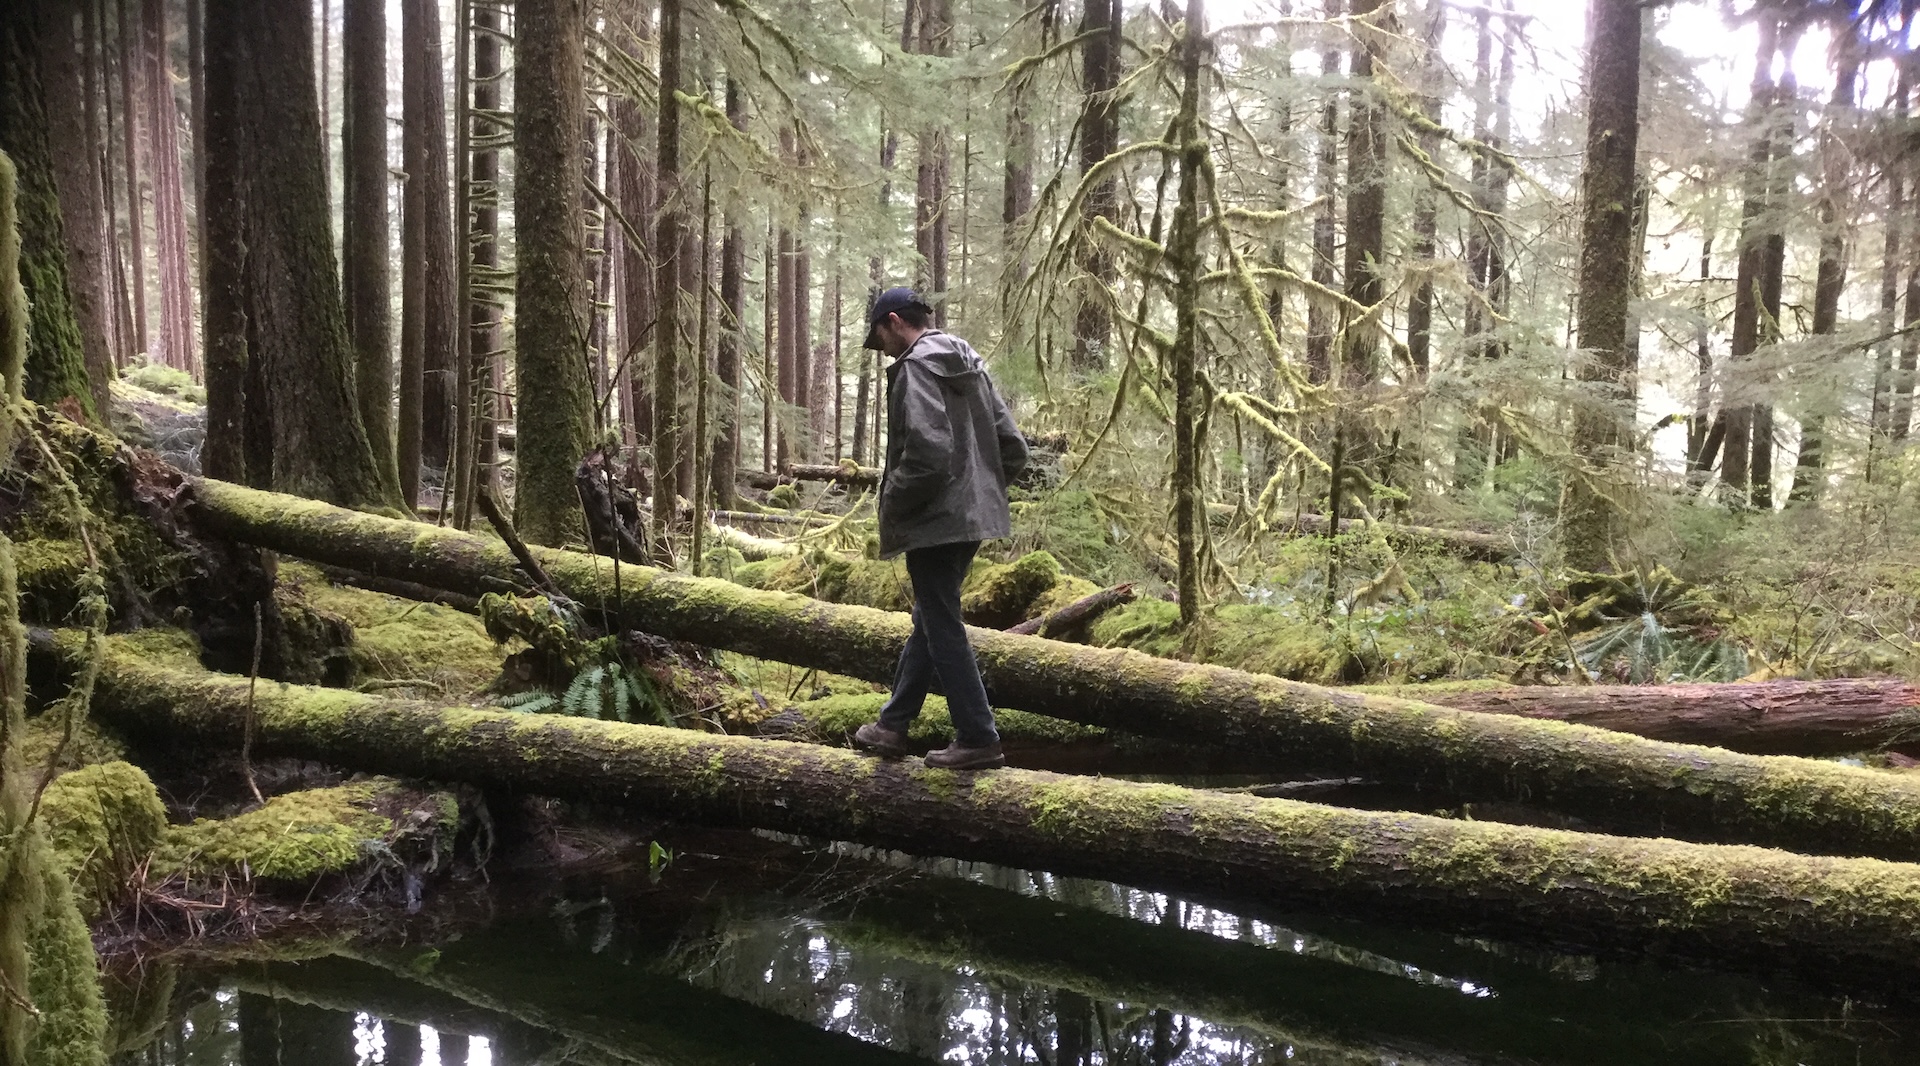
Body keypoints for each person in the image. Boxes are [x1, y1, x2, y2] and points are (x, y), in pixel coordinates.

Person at [850, 287, 1028, 770]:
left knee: (942, 623)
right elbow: (1013, 447)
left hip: (934, 520)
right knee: (930, 618)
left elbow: (927, 455)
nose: (882, 347)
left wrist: (894, 503)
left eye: (880, 336)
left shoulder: (915, 367)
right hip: (969, 518)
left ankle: (978, 735)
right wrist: (981, 494)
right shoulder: (966, 358)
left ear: (893, 320)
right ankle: (893, 724)